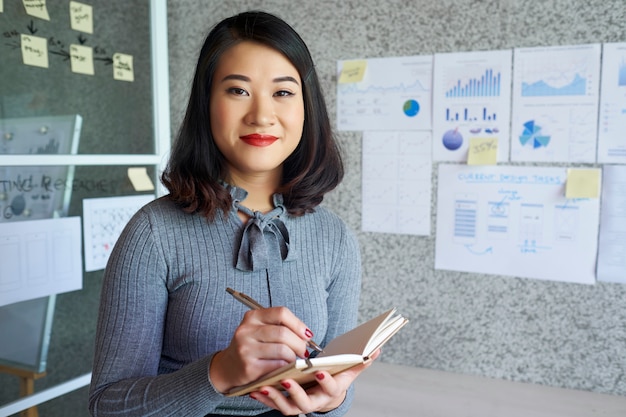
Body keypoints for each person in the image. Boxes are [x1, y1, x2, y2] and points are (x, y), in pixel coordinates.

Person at [89, 10, 377, 417]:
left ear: (306, 108)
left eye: (282, 93)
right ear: (206, 103)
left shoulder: (336, 238)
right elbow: (108, 406)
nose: (261, 115)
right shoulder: (154, 232)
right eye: (238, 90)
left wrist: (333, 400)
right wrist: (219, 373)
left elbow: (336, 392)